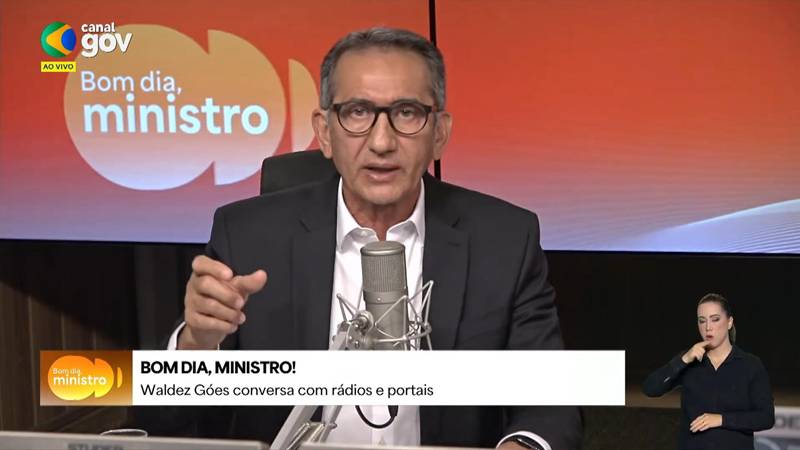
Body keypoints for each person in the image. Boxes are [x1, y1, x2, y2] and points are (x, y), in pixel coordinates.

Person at [169, 27, 581, 450]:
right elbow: (166, 421)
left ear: (439, 133)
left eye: (407, 113)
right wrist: (196, 347)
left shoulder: (505, 240)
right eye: (357, 112)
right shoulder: (247, 237)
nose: (382, 142)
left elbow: (552, 404)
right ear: (324, 131)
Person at [642, 293, 774, 450]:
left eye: (715, 319)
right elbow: (650, 389)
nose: (708, 327)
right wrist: (683, 360)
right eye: (702, 321)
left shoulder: (750, 365)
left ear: (729, 322)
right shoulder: (689, 361)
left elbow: (766, 418)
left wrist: (721, 419)